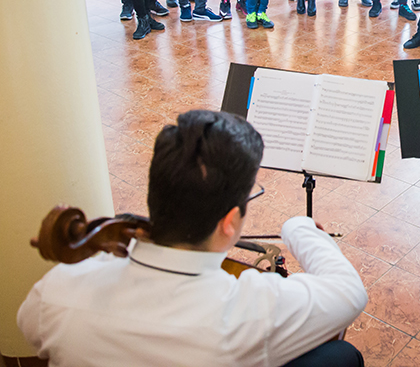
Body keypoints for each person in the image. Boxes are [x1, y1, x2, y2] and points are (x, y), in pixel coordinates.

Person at [19, 110, 368, 366]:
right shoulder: (247, 311)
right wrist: (299, 226)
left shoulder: (57, 290)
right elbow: (349, 292)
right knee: (342, 357)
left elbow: (28, 324)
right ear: (229, 221)